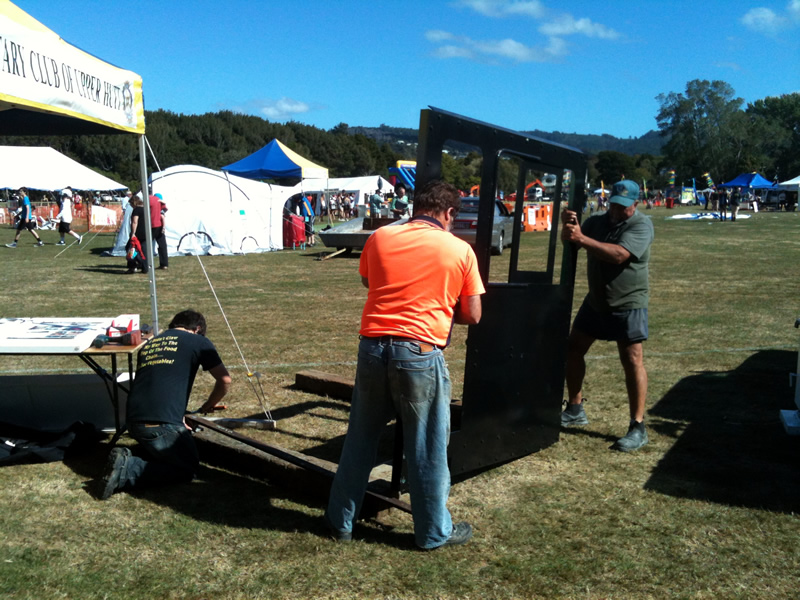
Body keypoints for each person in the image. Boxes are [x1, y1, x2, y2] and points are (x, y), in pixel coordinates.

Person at [325, 180, 485, 549]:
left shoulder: (380, 237)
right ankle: (432, 532)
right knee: (427, 445)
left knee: (360, 440)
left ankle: (340, 522)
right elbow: (473, 314)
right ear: (448, 214)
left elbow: (370, 280)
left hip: (372, 347)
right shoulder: (460, 250)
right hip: (419, 352)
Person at [560, 180, 654, 452]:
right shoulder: (596, 223)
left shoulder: (640, 225)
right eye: (613, 204)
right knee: (573, 349)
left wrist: (581, 237)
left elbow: (619, 254)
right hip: (596, 302)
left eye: (623, 206)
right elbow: (573, 244)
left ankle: (638, 426)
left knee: (632, 359)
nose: (615, 210)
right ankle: (575, 408)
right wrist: (570, 227)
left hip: (629, 303)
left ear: (635, 204)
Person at [99, 310, 231, 499]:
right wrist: (207, 406)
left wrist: (177, 419)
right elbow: (225, 380)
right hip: (159, 424)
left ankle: (138, 453)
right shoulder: (198, 341)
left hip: (133, 421)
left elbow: (159, 386)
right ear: (198, 328)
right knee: (187, 467)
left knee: (166, 446)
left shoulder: (150, 344)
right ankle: (126, 470)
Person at [126, 195, 148, 273]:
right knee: (144, 250)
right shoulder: (145, 209)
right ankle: (145, 267)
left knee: (130, 248)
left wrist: (133, 233)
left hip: (138, 232)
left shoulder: (137, 210)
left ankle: (132, 266)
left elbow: (135, 222)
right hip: (146, 232)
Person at [150, 192, 169, 269]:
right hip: (160, 226)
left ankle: (144, 263)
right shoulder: (160, 203)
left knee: (146, 244)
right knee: (162, 245)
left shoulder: (150, 200)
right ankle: (164, 264)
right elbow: (164, 212)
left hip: (152, 225)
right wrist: (164, 227)